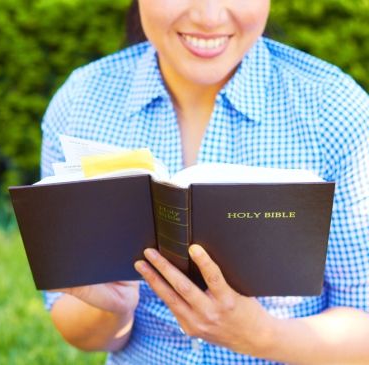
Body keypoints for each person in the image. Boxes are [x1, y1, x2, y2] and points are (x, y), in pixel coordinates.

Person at [39, 1, 369, 364]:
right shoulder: (81, 103)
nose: (209, 17)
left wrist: (260, 335)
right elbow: (79, 329)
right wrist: (113, 308)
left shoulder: (334, 110)